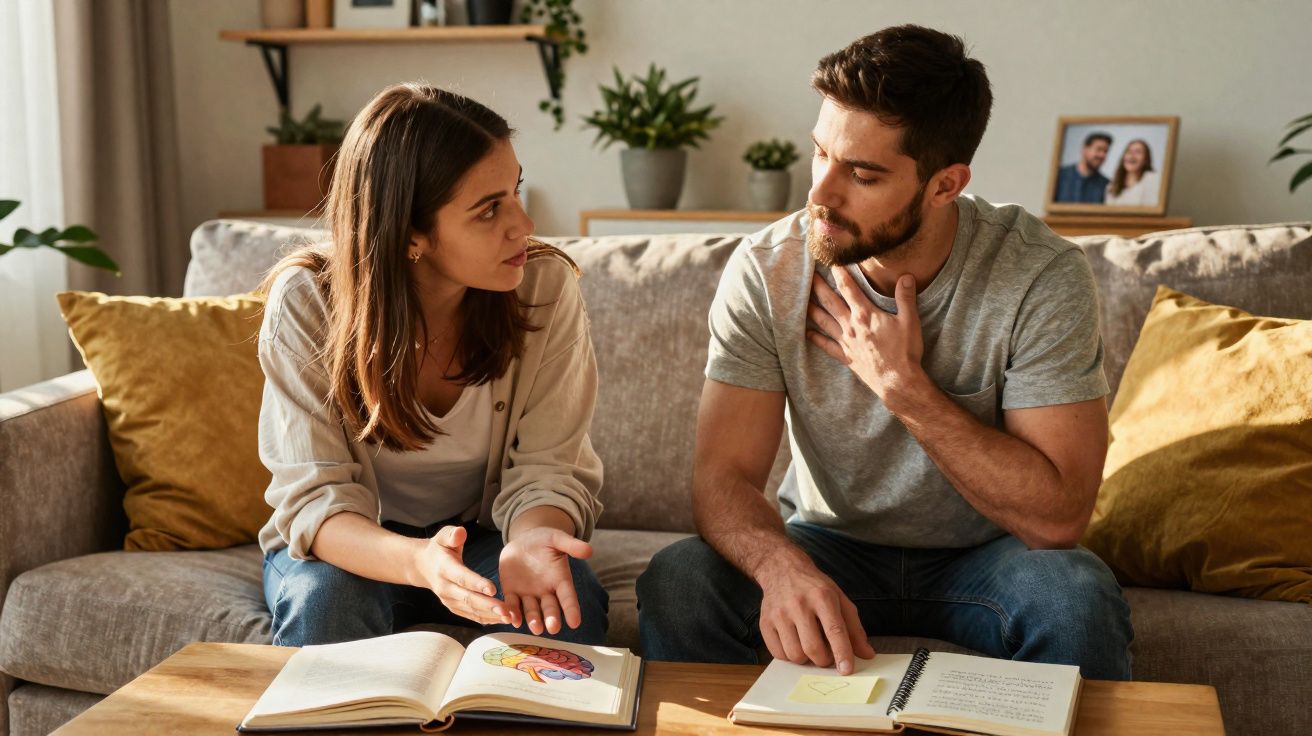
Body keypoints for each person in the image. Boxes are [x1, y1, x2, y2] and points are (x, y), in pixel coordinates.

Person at [636, 25, 1133, 681]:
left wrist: (904, 388)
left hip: (990, 555)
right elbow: (721, 479)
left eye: (862, 174)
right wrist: (782, 568)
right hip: (823, 540)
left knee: (1076, 595)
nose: (820, 194)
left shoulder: (1039, 276)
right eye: (820, 155)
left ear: (945, 185)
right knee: (681, 578)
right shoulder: (768, 269)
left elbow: (1058, 518)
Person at [256, 83, 608, 647]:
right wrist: (420, 563)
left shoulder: (543, 287)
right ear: (410, 234)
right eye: (489, 209)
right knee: (327, 601)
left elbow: (546, 467)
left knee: (567, 602)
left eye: (514, 190)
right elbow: (316, 501)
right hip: (352, 545)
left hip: (485, 537)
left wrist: (528, 543)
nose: (523, 224)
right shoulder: (308, 301)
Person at [1053, 132, 1112, 203]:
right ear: (1084, 149)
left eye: (1105, 151)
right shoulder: (1059, 176)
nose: (1102, 155)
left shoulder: (1106, 184)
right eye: (1099, 149)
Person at [1105, 139, 1160, 206]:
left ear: (1146, 159)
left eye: (1138, 152)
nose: (1132, 155)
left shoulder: (1154, 179)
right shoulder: (1111, 187)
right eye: (1129, 151)